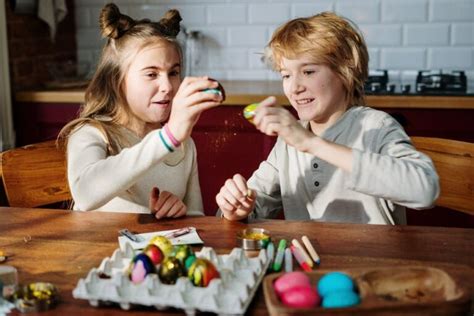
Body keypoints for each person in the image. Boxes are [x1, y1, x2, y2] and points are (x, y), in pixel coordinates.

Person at [216, 12, 439, 225]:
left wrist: (311, 143)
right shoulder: (289, 142)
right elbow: (252, 206)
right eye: (286, 75)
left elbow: (425, 189)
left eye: (308, 72)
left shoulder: (376, 127)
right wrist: (234, 208)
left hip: (371, 263)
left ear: (345, 71)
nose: (294, 88)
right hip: (310, 264)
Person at [58, 3, 224, 219]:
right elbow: (85, 195)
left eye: (173, 72)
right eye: (151, 74)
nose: (167, 86)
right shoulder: (91, 133)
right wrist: (167, 138)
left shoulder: (183, 144)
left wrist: (180, 212)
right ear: (117, 81)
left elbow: (197, 218)